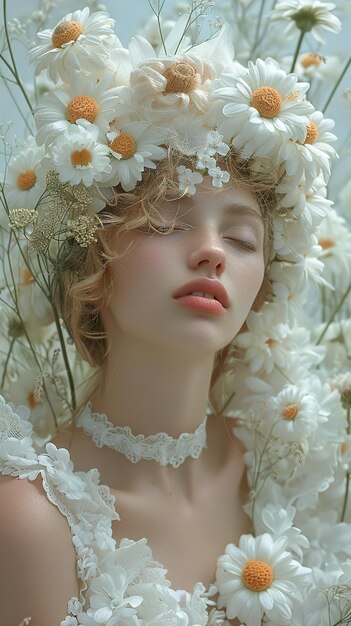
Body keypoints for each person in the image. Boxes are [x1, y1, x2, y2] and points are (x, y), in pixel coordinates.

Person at [0, 5, 347, 626]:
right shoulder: (32, 516)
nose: (212, 251)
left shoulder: (289, 474)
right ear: (92, 262)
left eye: (242, 240)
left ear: (265, 286)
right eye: (164, 221)